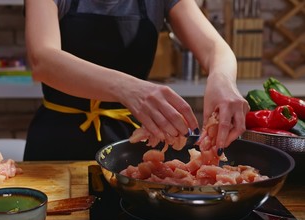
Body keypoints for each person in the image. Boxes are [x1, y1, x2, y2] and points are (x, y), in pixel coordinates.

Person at [23, 0, 249, 161]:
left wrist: (222, 79)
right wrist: (127, 88)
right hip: (57, 140)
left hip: (129, 142)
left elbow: (215, 48)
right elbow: (42, 60)